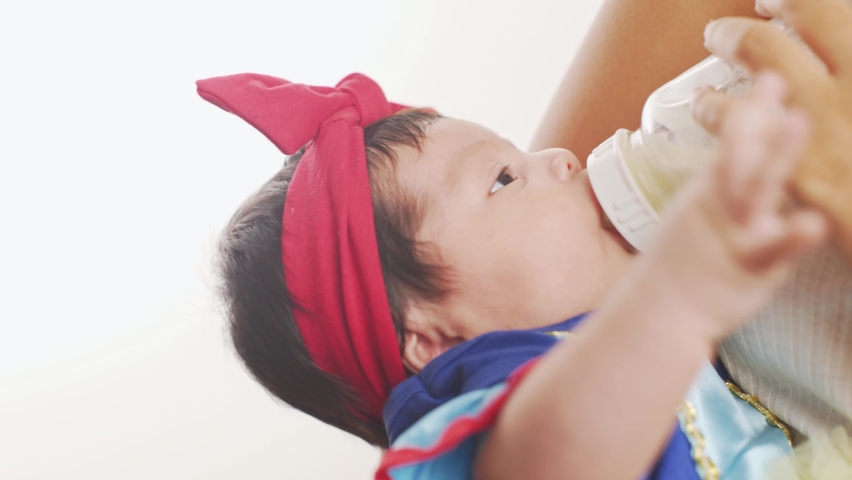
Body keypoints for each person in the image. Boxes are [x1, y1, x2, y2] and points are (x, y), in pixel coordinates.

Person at [200, 64, 824, 480]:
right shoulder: (486, 394)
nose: (560, 156)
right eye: (503, 179)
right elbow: (552, 456)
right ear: (430, 338)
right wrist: (677, 304)